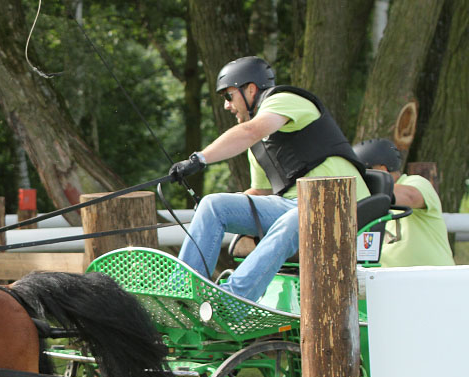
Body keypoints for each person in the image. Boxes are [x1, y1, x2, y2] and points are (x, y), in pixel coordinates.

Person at [168, 56, 369, 301]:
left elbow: (251, 131)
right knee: (213, 205)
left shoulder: (285, 100)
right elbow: (260, 192)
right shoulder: (260, 146)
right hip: (294, 206)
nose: (226, 106)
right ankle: (182, 296)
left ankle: (232, 300)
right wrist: (214, 211)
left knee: (296, 217)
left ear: (250, 89)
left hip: (340, 205)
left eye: (229, 96)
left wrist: (199, 159)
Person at [352, 138, 454, 267]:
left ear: (381, 170)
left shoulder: (416, 182)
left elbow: (411, 197)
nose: (358, 179)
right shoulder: (365, 201)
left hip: (435, 281)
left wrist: (362, 191)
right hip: (392, 282)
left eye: (362, 173)